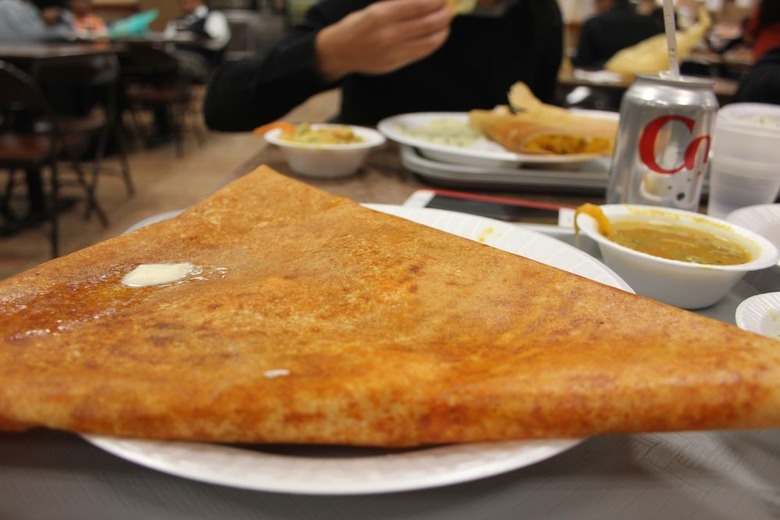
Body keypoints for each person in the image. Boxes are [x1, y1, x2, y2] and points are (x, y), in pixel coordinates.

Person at [203, 0, 564, 130]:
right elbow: (222, 106)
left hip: (492, 194)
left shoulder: (540, 13)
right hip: (364, 185)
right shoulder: (373, 5)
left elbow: (543, 121)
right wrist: (331, 54)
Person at [572, 0, 663, 69]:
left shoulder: (594, 24)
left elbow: (582, 62)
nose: (595, 6)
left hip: (598, 87)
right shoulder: (649, 24)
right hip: (638, 84)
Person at [164, 0, 231, 83]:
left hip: (201, 62)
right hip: (175, 57)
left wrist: (196, 35)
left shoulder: (214, 17)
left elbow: (217, 43)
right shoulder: (176, 21)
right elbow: (168, 45)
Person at [0, 0, 74, 42]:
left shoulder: (30, 6)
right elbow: (29, 36)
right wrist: (48, 24)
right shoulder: (6, 6)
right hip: (13, 59)